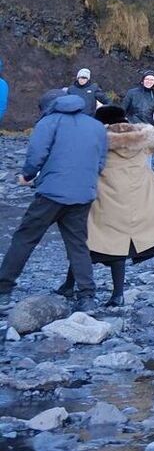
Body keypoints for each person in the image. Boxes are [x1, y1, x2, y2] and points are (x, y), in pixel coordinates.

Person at [57, 106, 154, 307]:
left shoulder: (96, 140)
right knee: (120, 245)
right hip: (137, 197)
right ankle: (116, 294)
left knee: (87, 241)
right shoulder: (143, 138)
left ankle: (70, 285)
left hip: (106, 197)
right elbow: (152, 150)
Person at [0, 94, 108, 305]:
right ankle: (87, 295)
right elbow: (101, 161)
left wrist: (28, 176)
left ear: (47, 106)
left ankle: (3, 287)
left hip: (51, 194)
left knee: (25, 238)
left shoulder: (49, 122)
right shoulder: (95, 125)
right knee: (78, 244)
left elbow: (36, 154)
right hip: (83, 193)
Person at [41, 68, 112, 115]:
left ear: (88, 79)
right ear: (77, 78)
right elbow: (63, 102)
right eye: (80, 78)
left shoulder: (94, 88)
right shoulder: (71, 89)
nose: (82, 80)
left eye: (84, 78)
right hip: (73, 117)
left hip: (89, 118)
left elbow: (106, 101)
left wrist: (104, 111)